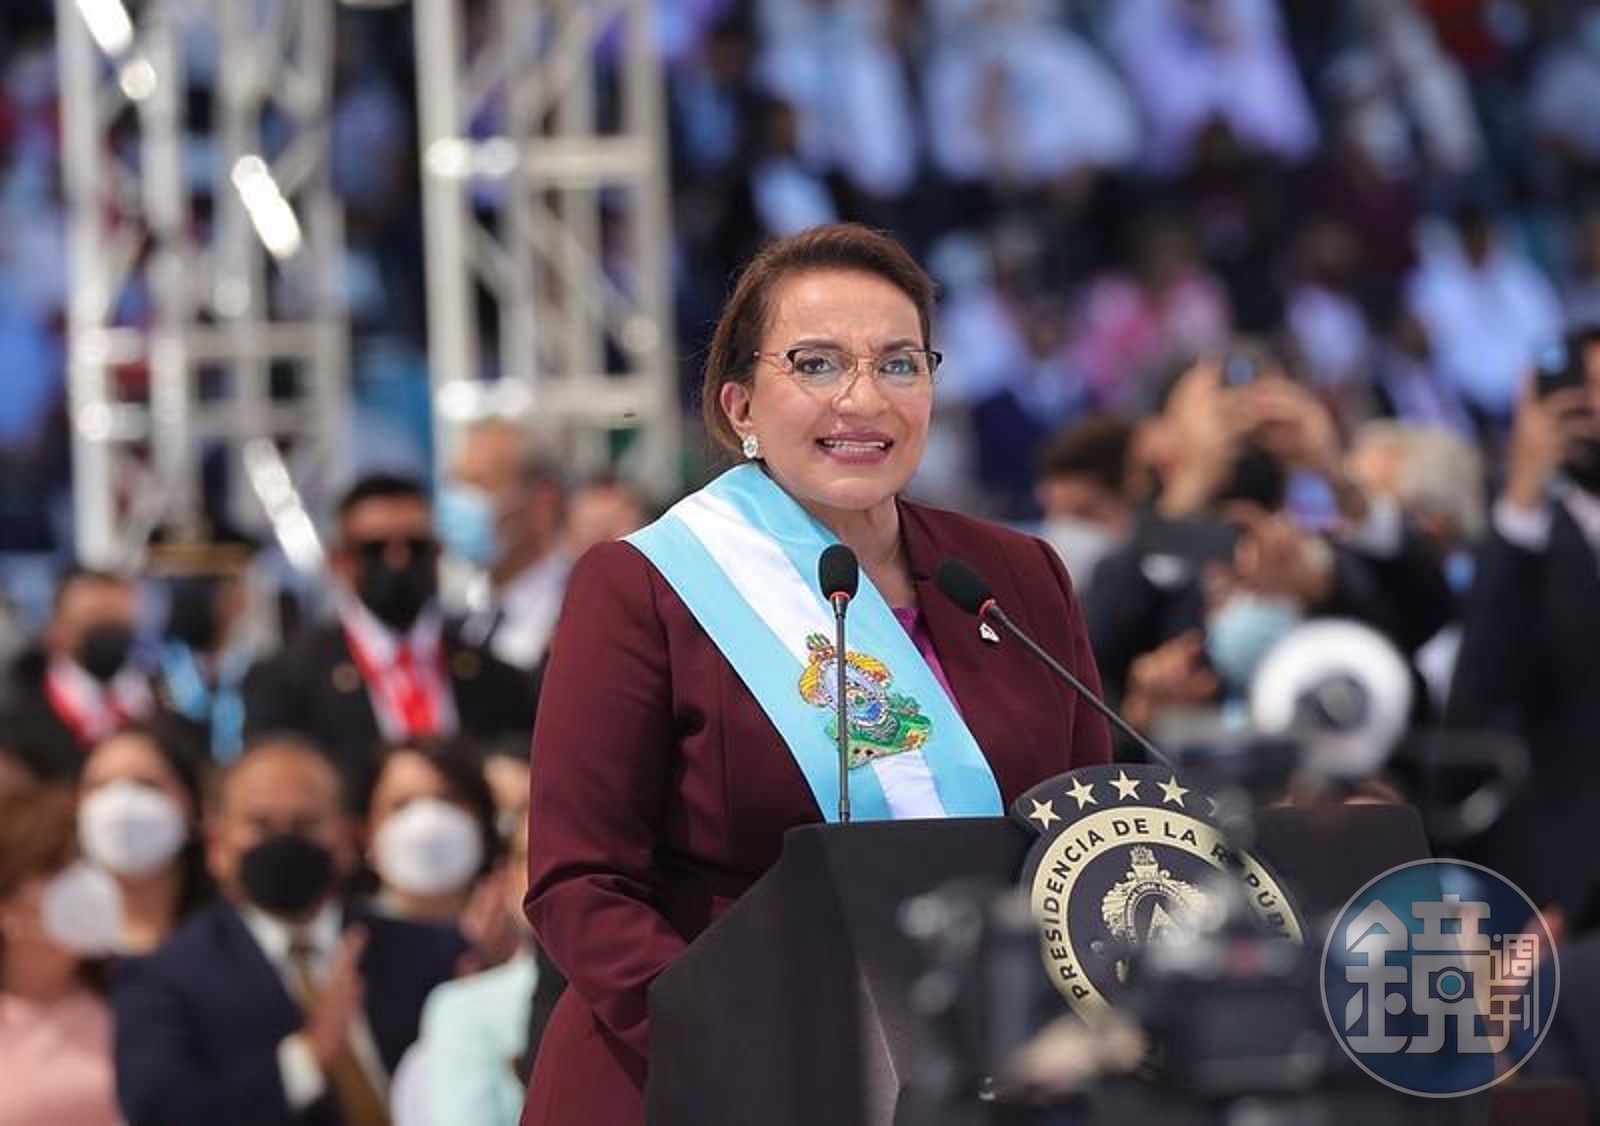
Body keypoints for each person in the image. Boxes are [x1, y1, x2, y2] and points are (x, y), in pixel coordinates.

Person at [521, 223, 1112, 1124]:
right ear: (740, 408)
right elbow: (582, 884)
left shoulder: (1015, 576)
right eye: (817, 364)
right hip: (712, 1081)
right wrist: (749, 1055)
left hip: (978, 1082)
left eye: (899, 364)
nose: (863, 399)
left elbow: (1086, 833)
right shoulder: (648, 585)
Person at [112, 736, 466, 1126]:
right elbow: (159, 1112)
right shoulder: (165, 978)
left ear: (347, 837)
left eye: (305, 824)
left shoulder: (429, 952)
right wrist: (307, 1058)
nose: (284, 841)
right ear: (217, 843)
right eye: (260, 825)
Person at [244, 474, 536, 790]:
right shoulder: (288, 680)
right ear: (341, 561)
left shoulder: (498, 679)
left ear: (438, 553)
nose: (398, 561)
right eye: (376, 549)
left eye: (416, 547)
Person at [1448, 328, 1600, 915]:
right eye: (1578, 388)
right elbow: (1479, 697)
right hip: (1560, 895)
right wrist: (1523, 494)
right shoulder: (1523, 544)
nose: (1589, 406)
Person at [0, 785, 124, 1126]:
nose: (84, 887)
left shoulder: (135, 999)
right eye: (58, 870)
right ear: (7, 900)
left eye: (88, 867)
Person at [436, 421, 570, 674]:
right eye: (457, 486)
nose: (462, 504)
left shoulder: (582, 611)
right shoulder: (459, 621)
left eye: (481, 485)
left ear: (543, 500)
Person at [78, 722, 213, 954]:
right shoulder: (49, 944)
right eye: (100, 786)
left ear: (194, 808)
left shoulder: (233, 940)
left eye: (146, 785)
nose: (120, 804)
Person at [6, 569, 154, 780]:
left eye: (117, 621)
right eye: (92, 620)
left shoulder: (165, 710)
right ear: (56, 629)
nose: (108, 634)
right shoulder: (17, 726)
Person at [358, 738, 499, 927]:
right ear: (367, 831)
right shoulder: (339, 936)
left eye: (447, 800)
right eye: (402, 805)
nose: (427, 826)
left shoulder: (528, 933)